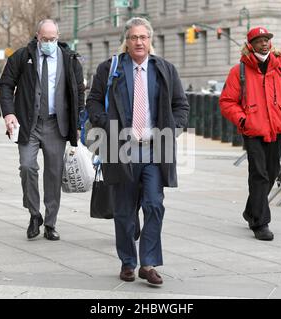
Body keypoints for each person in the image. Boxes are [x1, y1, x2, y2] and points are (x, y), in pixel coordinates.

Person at [86, 17, 189, 285]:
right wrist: (105, 125)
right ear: (127, 41)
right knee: (123, 210)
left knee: (154, 205)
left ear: (150, 40)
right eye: (134, 37)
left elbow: (181, 106)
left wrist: (172, 128)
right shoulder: (111, 68)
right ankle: (128, 262)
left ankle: (149, 263)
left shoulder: (164, 69)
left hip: (155, 152)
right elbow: (94, 101)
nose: (139, 42)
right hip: (121, 151)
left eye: (143, 37)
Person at [0, 19, 85, 241]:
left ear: (58, 36)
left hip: (57, 124)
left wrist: (77, 124)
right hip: (29, 123)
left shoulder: (70, 58)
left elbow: (78, 91)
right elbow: (6, 85)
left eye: (53, 39)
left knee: (54, 174)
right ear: (37, 36)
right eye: (45, 39)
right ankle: (34, 213)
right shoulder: (22, 56)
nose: (49, 43)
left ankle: (50, 222)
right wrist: (9, 113)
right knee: (27, 167)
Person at [220, 27, 281, 241]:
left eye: (266, 39)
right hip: (253, 131)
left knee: (272, 172)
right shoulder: (240, 71)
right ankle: (260, 223)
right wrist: (244, 120)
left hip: (276, 129)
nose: (264, 43)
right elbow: (227, 102)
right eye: (259, 40)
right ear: (250, 44)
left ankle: (250, 211)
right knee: (259, 174)